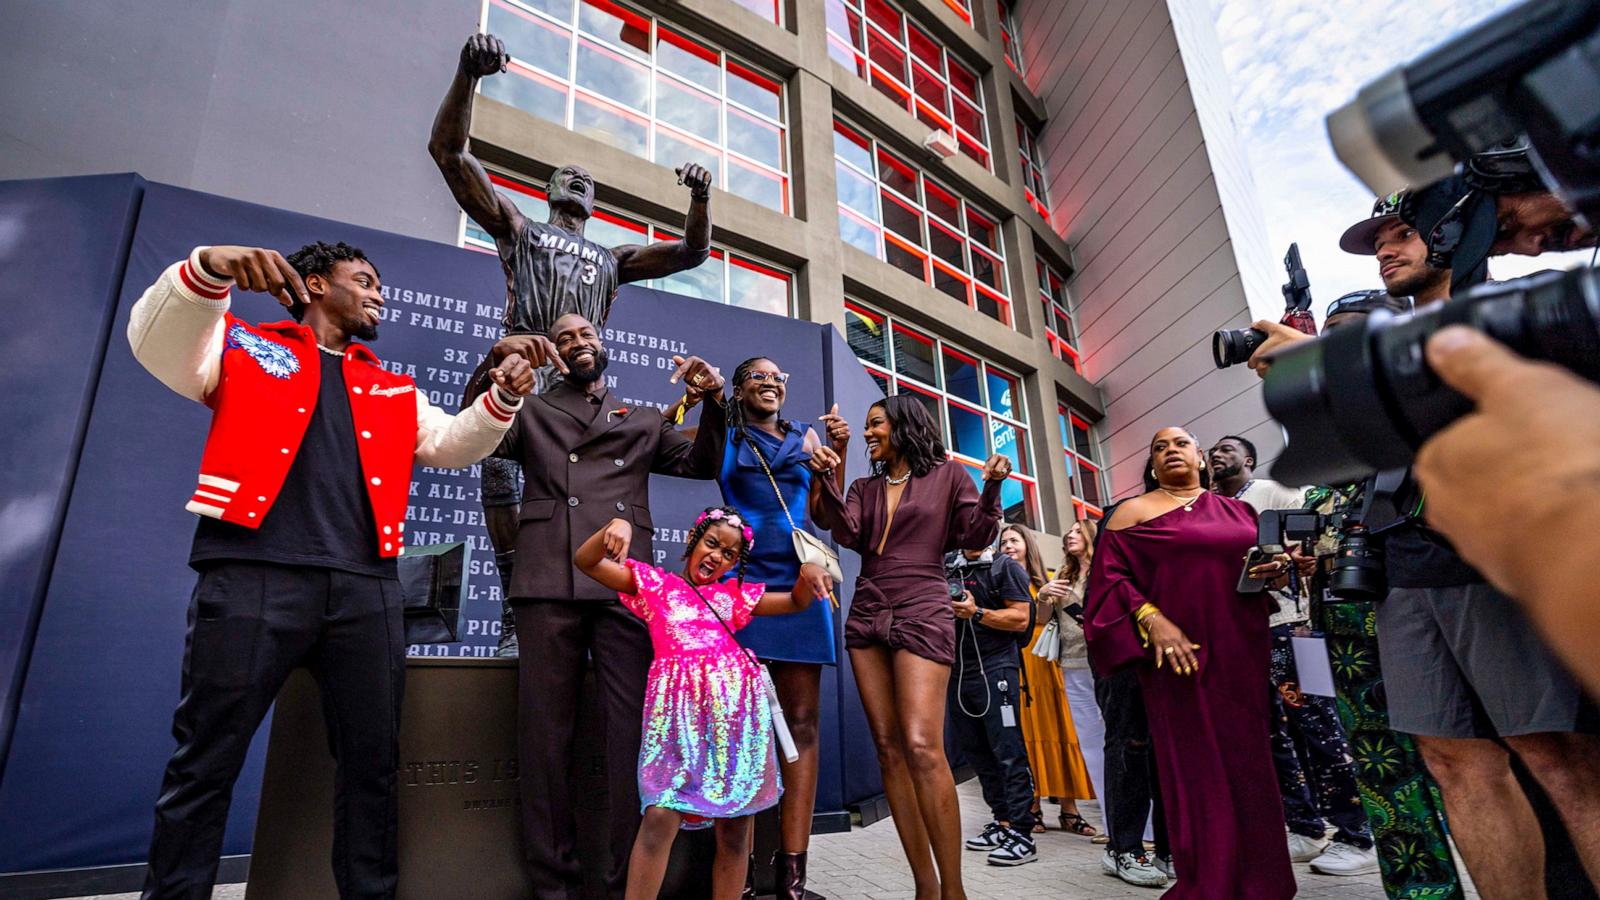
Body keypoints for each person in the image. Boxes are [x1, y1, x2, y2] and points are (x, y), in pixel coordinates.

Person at [128, 243, 531, 899]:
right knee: (206, 762)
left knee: (372, 765)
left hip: (368, 589)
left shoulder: (391, 386)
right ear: (315, 284)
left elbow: (450, 443)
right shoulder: (248, 346)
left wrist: (502, 400)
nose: (379, 294)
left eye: (380, 285)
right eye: (364, 281)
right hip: (252, 572)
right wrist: (207, 270)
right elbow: (159, 346)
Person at [1255, 196, 1600, 897]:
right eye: (1378, 241)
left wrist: (1337, 361)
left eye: (1404, 235)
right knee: (1451, 760)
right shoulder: (1391, 342)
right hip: (1401, 566)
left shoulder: (1514, 308)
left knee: (1558, 758)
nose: (1385, 251)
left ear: (1460, 230)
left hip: (1492, 556)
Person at [431, 32, 717, 658]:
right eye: (569, 174)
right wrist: (467, 74)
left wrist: (699, 197)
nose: (580, 177)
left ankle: (599, 596)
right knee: (504, 477)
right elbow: (450, 155)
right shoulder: (521, 230)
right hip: (524, 373)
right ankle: (517, 611)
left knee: (582, 493)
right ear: (553, 189)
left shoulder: (610, 258)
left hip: (581, 387)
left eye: (588, 177)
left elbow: (693, 251)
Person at [465, 314, 728, 898]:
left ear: (603, 345)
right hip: (547, 575)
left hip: (623, 582)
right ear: (554, 354)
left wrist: (714, 401)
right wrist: (497, 361)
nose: (578, 343)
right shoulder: (531, 407)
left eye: (586, 335)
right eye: (565, 339)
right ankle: (551, 885)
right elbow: (475, 432)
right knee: (543, 738)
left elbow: (702, 465)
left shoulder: (640, 419)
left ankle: (619, 883)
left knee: (630, 735)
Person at [573, 507, 833, 900]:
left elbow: (796, 603)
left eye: (729, 554)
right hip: (675, 724)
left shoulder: (733, 597)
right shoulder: (655, 586)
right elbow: (586, 561)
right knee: (660, 815)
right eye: (711, 544)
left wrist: (807, 573)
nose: (717, 556)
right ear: (692, 541)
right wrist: (615, 526)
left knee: (735, 829)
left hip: (735, 722)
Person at [808, 395, 1009, 900]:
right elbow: (844, 531)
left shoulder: (948, 475)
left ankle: (954, 890)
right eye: (868, 426)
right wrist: (831, 463)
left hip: (923, 603)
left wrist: (992, 486)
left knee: (921, 744)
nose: (870, 431)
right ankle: (924, 887)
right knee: (889, 750)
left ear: (903, 425)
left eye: (876, 424)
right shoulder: (864, 485)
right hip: (869, 606)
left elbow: (974, 536)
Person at [1084, 427, 1296, 899]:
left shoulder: (1240, 511)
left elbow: (1262, 568)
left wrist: (1276, 571)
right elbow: (1109, 582)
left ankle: (1265, 882)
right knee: (1194, 766)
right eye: (1159, 446)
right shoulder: (1129, 515)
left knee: (1249, 762)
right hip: (1175, 658)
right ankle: (1209, 880)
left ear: (1201, 459)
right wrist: (1150, 617)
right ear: (1152, 466)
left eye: (1180, 443)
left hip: (1240, 650)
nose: (1169, 450)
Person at [1208, 436, 1377, 875]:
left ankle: (1356, 832)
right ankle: (1305, 825)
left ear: (1248, 459)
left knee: (1320, 723)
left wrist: (1294, 559)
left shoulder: (1274, 491)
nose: (1215, 453)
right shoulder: (1209, 507)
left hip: (1297, 628)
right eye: (1212, 449)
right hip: (1243, 635)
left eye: (1227, 448)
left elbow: (1315, 542)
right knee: (1270, 735)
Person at [714, 356, 848, 899]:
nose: (770, 383)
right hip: (743, 582)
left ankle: (792, 873)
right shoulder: (722, 433)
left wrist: (831, 465)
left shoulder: (807, 435)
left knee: (802, 725)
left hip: (802, 580)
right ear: (740, 388)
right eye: (758, 377)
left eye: (778, 378)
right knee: (742, 727)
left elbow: (821, 511)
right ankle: (739, 873)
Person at [997, 523, 1097, 838]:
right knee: (1028, 734)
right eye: (1003, 542)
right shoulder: (999, 580)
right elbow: (1031, 618)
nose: (1008, 546)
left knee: (1061, 729)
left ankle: (1070, 811)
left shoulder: (1051, 577)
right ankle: (1033, 807)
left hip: (1052, 662)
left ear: (1028, 543)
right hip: (1021, 662)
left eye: (1014, 540)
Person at [945, 545, 1038, 867]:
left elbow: (1020, 619)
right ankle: (1003, 822)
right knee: (978, 754)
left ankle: (1023, 832)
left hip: (997, 670)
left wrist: (977, 613)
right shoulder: (948, 566)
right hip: (957, 674)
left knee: (1008, 751)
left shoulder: (1004, 567)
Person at [1037, 521, 1108, 843]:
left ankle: (1141, 824)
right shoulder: (1062, 577)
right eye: (1068, 533)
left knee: (1118, 742)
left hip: (1109, 664)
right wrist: (1042, 597)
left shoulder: (1106, 569)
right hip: (1074, 665)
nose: (1069, 536)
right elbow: (1041, 621)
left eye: (1078, 531)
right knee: (1092, 748)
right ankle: (1112, 822)